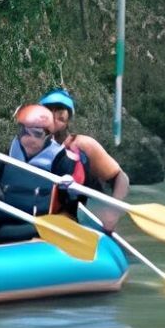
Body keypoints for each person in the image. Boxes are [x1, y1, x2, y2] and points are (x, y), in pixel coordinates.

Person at [39, 88, 130, 233]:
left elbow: (121, 178)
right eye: (49, 109)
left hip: (70, 222)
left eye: (60, 110)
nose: (54, 115)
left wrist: (113, 212)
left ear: (69, 116)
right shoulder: (28, 145)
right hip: (33, 218)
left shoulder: (82, 144)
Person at [0, 102, 85, 223]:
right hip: (6, 215)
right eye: (24, 132)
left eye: (37, 134)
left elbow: (73, 205)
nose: (28, 139)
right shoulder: (13, 148)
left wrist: (70, 191)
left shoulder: (61, 159)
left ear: (48, 136)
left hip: (40, 222)